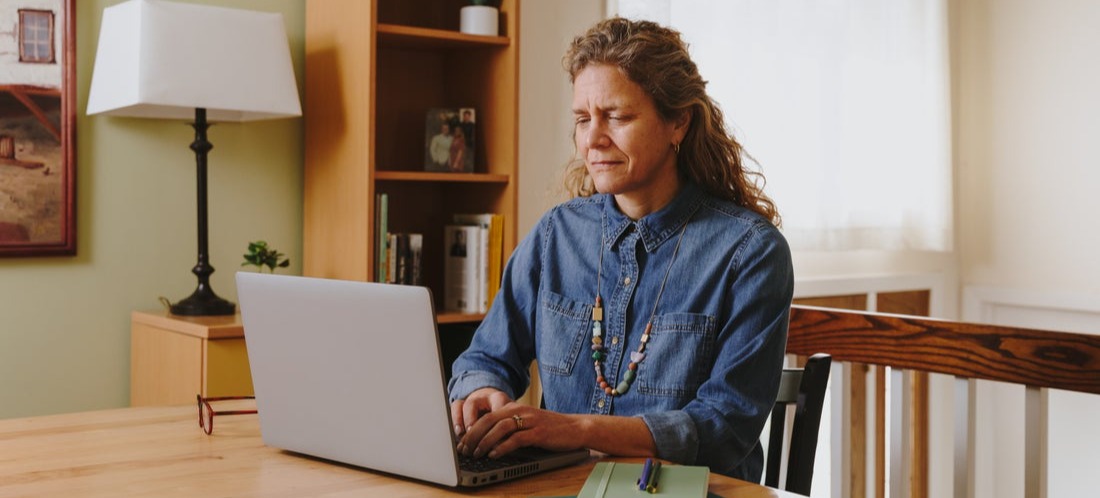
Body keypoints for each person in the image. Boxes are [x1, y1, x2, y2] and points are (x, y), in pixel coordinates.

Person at [448, 17, 793, 482]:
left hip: (689, 492)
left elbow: (723, 427)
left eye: (617, 116)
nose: (592, 140)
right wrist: (482, 392)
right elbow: (485, 358)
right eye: (583, 119)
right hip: (558, 490)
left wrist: (574, 430)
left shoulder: (750, 252)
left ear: (678, 122)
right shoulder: (557, 234)